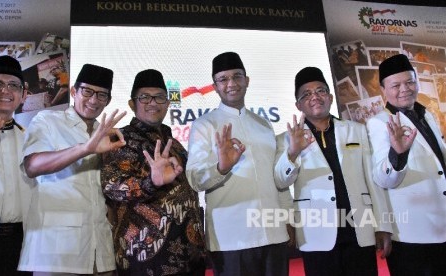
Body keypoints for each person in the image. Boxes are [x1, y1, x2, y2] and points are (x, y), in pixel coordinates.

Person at [275, 67, 392, 276]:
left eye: (320, 91)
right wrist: (292, 153)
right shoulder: (285, 139)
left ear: (329, 97)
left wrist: (382, 224)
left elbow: (372, 180)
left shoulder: (356, 130)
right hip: (316, 234)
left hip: (359, 229)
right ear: (298, 104)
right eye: (306, 94)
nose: (315, 97)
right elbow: (280, 183)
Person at [186, 52, 291, 276]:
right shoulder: (204, 125)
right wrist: (221, 167)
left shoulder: (263, 124)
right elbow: (194, 180)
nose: (231, 84)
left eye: (237, 76)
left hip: (274, 234)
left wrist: (289, 217)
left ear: (247, 80)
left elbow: (276, 179)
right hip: (232, 238)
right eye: (223, 79)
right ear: (215, 86)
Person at [17, 64, 126, 275]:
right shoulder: (48, 120)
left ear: (108, 101)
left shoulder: (107, 133)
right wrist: (85, 149)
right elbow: (32, 166)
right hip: (56, 249)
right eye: (87, 91)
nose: (94, 100)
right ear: (74, 91)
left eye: (102, 95)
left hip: (99, 247)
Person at [101, 69, 205, 275]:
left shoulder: (174, 144)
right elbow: (111, 186)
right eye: (145, 97)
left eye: (159, 97)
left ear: (168, 103)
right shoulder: (122, 140)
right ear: (132, 104)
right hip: (145, 259)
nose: (153, 103)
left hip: (188, 255)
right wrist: (151, 182)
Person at [366, 54, 446, 276]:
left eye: (410, 81)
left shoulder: (426, 114)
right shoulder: (379, 123)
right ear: (383, 89)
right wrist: (397, 154)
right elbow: (383, 179)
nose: (405, 89)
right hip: (412, 233)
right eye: (396, 85)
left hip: (442, 224)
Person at [0, 56, 33, 275]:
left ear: (23, 95)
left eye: (13, 85)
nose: (5, 90)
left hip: (20, 242)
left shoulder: (32, 139)